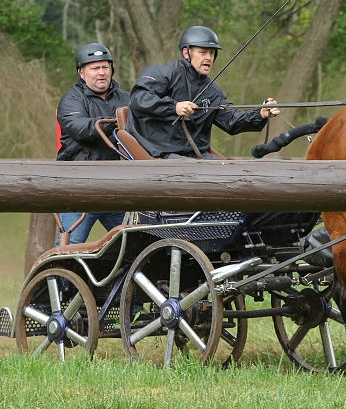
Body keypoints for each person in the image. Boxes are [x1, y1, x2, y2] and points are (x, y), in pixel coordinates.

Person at [126, 25, 279, 159]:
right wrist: (174, 107)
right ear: (186, 53)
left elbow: (233, 121)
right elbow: (139, 100)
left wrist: (261, 114)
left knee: (228, 170)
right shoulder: (162, 73)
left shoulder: (213, 91)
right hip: (160, 151)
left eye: (212, 53)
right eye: (203, 52)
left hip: (196, 154)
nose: (208, 58)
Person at [55, 43, 129, 245]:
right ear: (81, 73)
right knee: (68, 251)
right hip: (80, 191)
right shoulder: (71, 100)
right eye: (95, 68)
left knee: (138, 245)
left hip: (118, 191)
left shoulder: (126, 98)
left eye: (105, 67)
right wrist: (117, 122)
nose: (102, 73)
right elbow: (81, 129)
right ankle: (57, 277)